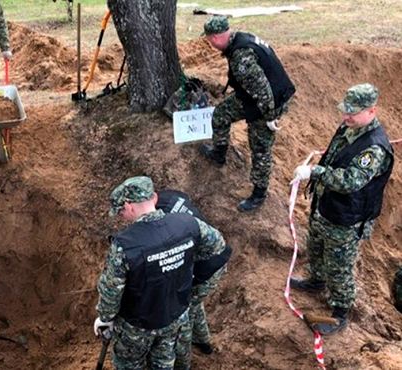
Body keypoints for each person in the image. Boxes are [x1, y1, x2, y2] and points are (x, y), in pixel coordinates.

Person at [291, 83, 395, 335]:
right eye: (345, 110)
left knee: (339, 267)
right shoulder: (349, 127)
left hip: (347, 218)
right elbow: (334, 155)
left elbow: (352, 181)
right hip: (327, 206)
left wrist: (314, 171)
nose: (346, 116)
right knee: (315, 246)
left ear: (371, 111)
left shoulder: (374, 147)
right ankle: (316, 280)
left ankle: (339, 313)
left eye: (353, 112)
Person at [94, 177, 227, 369]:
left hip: (137, 325)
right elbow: (217, 245)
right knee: (164, 362)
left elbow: (111, 291)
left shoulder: (125, 245)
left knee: (129, 363)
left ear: (129, 206)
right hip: (174, 317)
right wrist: (184, 264)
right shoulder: (188, 224)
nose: (121, 217)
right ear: (154, 197)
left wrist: (105, 319)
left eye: (121, 211)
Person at [199, 16, 296, 212]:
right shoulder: (240, 38)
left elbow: (261, 88)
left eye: (209, 40)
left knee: (260, 148)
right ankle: (219, 153)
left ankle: (259, 194)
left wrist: (270, 117)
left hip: (268, 103)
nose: (210, 44)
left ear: (216, 37)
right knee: (220, 114)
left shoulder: (241, 56)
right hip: (252, 97)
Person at [155, 189, 231, 368]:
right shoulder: (171, 195)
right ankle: (203, 341)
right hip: (217, 257)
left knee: (184, 313)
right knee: (195, 303)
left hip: (205, 268)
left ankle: (183, 362)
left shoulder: (163, 222)